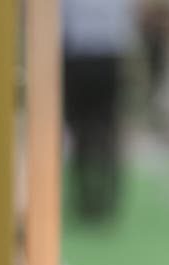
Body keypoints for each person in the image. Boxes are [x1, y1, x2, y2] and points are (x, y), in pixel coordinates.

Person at [62, 0, 136, 219]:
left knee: (85, 130)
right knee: (104, 130)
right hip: (106, 60)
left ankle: (90, 198)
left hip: (81, 60)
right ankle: (101, 198)